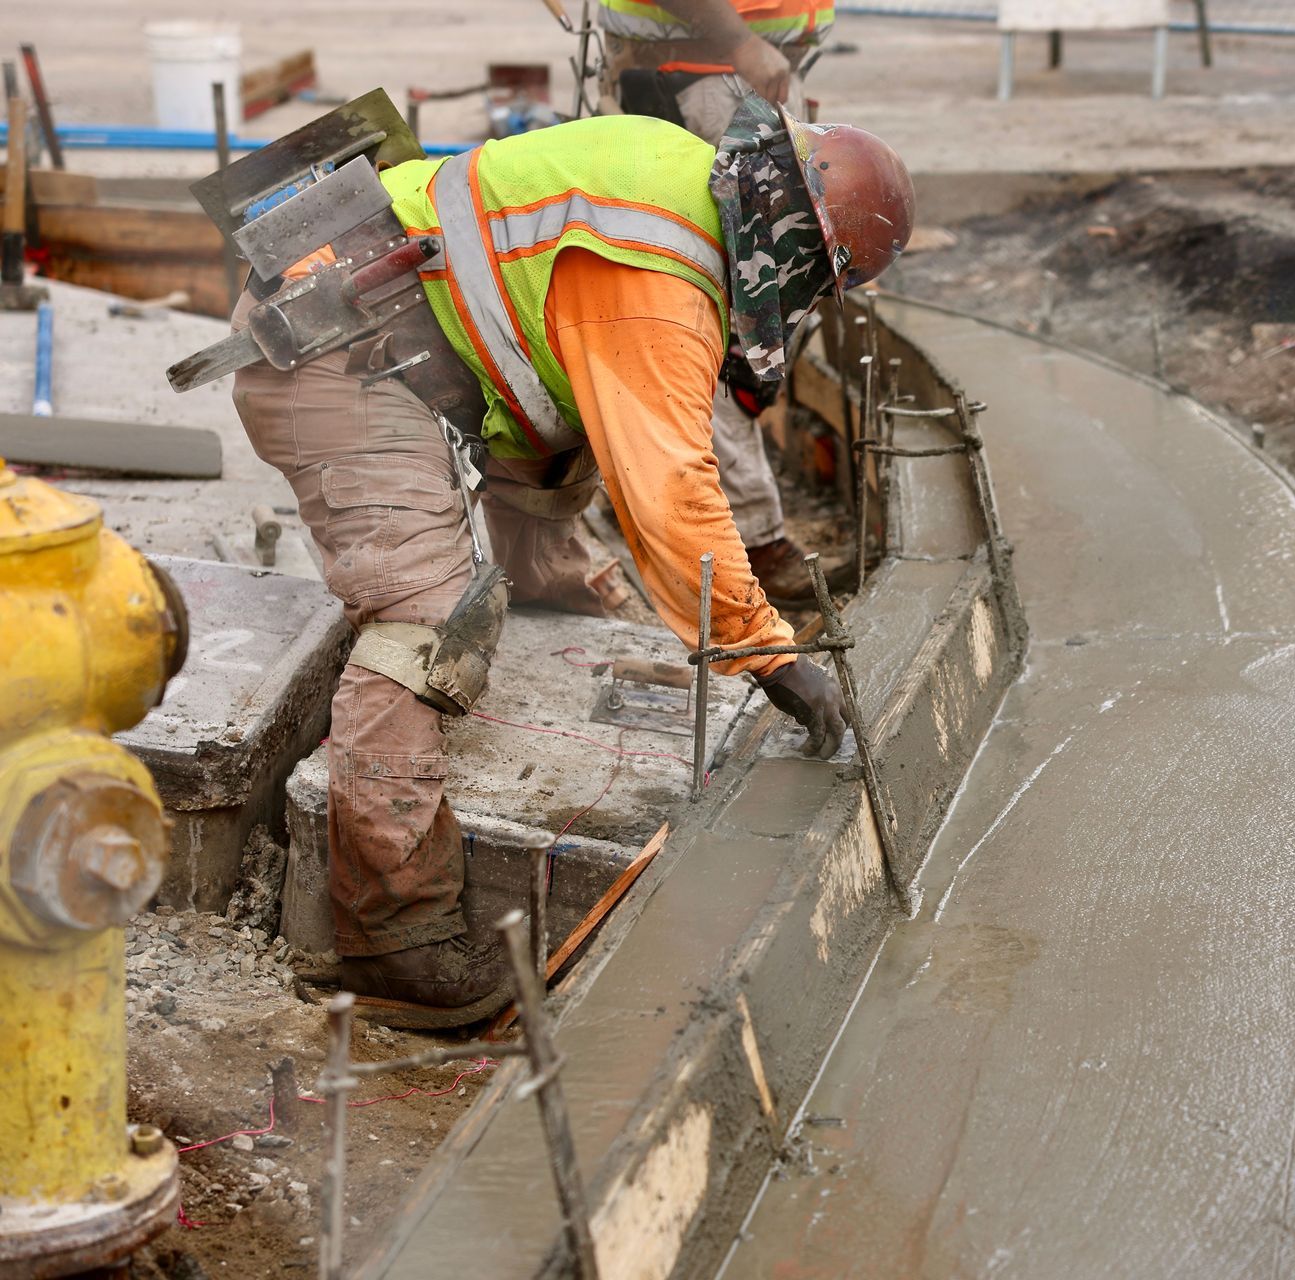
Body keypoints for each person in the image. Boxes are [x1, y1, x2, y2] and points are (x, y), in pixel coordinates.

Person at [230, 102, 913, 1027]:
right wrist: (767, 653)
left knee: (570, 430)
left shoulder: (681, 168)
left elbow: (554, 354)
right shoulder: (658, 279)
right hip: (328, 353)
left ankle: (549, 590)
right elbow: (670, 485)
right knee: (425, 629)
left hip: (402, 317)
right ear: (794, 249)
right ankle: (394, 938)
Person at [594, 0, 841, 608]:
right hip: (711, 76)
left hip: (728, 72)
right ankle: (752, 542)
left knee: (740, 310)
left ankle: (650, 495)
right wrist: (739, 41)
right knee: (732, 317)